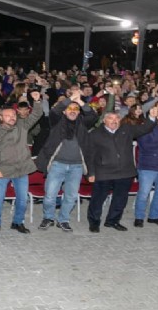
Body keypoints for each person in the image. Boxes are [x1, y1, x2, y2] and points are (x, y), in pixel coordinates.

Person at [35, 88, 97, 231]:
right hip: (57, 165)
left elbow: (93, 115)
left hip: (76, 167)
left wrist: (80, 101)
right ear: (65, 111)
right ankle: (48, 218)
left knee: (70, 197)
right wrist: (70, 98)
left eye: (76, 109)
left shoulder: (83, 123)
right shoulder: (57, 121)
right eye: (70, 108)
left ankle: (63, 220)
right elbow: (55, 111)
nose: (73, 110)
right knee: (50, 196)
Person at [86, 109, 157, 233]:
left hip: (125, 172)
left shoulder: (127, 129)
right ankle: (94, 222)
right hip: (103, 172)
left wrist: (151, 117)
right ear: (104, 121)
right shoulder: (95, 134)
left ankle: (113, 221)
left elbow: (144, 129)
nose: (114, 121)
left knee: (120, 199)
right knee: (98, 199)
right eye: (111, 118)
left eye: (117, 118)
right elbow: (90, 155)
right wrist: (90, 173)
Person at [0, 91, 43, 235]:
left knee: (22, 200)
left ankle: (18, 222)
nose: (11, 118)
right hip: (3, 170)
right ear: (0, 117)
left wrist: (36, 101)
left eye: (13, 115)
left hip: (21, 168)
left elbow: (36, 115)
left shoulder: (22, 125)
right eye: (7, 116)